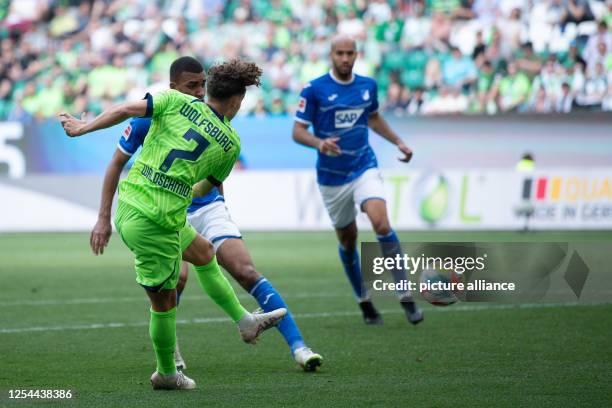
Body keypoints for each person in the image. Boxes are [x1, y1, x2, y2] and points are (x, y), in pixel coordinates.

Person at [59, 58, 286, 390]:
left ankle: (245, 321)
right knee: (163, 302)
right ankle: (166, 373)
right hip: (154, 223)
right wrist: (177, 188)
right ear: (236, 101)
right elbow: (206, 188)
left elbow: (125, 109)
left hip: (138, 204)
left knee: (205, 252)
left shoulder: (173, 100)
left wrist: (82, 127)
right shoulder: (231, 143)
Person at [292, 35, 423, 325]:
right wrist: (319, 143)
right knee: (348, 241)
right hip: (331, 177)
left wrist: (398, 142)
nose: (345, 58)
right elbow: (298, 131)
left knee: (381, 223)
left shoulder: (367, 86)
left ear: (357, 54)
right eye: (340, 53)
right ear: (331, 55)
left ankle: (405, 294)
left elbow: (373, 118)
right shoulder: (314, 89)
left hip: (363, 165)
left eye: (350, 53)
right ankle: (364, 299)